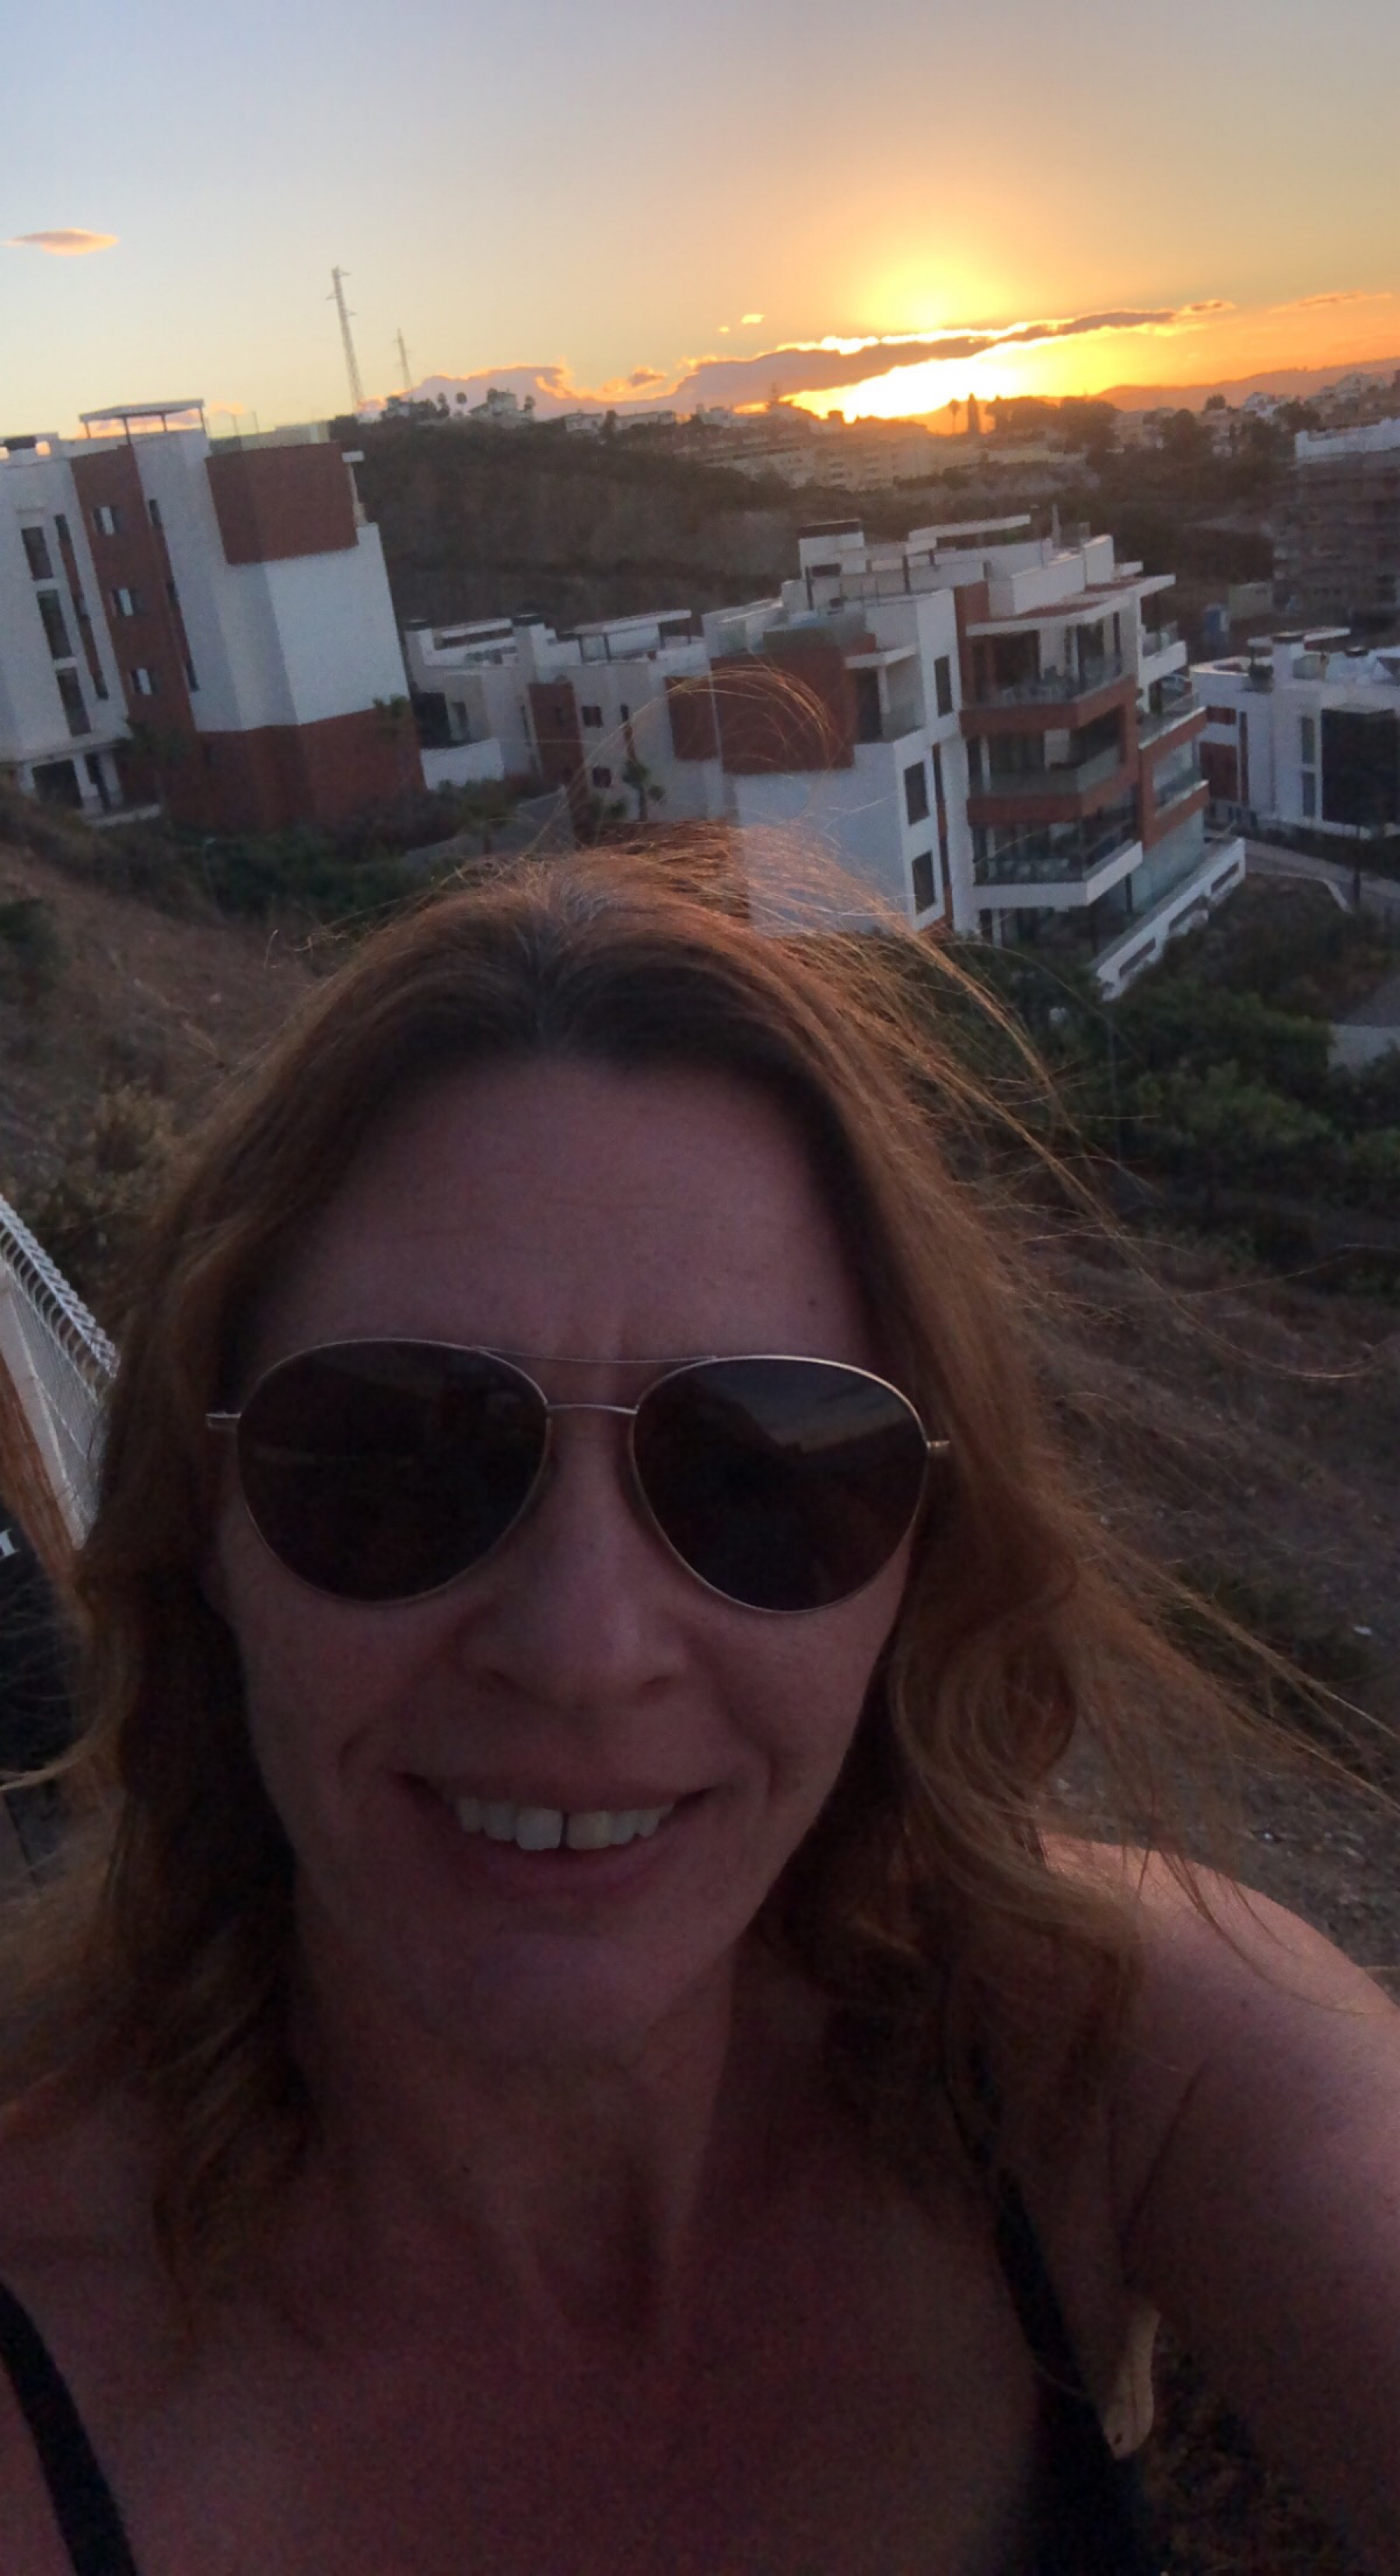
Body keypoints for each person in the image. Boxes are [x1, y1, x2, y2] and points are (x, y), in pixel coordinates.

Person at [0, 854, 1395, 2576]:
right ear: (203, 1529)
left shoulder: (1115, 2070)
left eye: (759, 1477)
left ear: (922, 1562)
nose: (585, 1650)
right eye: (395, 1462)